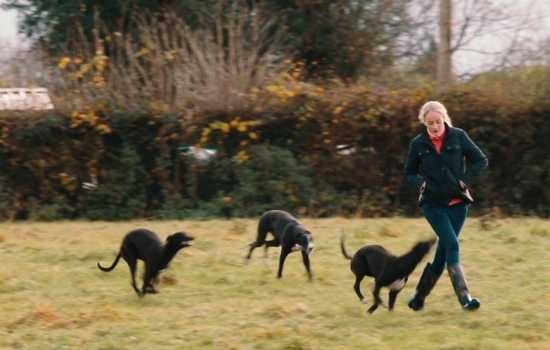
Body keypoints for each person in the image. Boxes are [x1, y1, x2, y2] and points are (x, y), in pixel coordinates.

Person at [404, 101, 488, 311]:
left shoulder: (458, 136)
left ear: (444, 119)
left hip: (458, 205)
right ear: (424, 123)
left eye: (437, 121)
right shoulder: (418, 144)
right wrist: (421, 183)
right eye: (429, 123)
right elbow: (409, 173)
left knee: (443, 251)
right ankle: (465, 299)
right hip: (433, 205)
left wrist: (465, 179)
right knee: (452, 244)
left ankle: (418, 298)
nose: (434, 126)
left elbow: (481, 160)